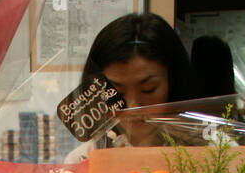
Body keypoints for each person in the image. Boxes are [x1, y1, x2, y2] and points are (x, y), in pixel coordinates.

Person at [73, 12, 201, 152]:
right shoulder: (86, 159)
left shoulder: (213, 154)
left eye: (148, 89)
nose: (132, 106)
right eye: (116, 93)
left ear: (172, 82)